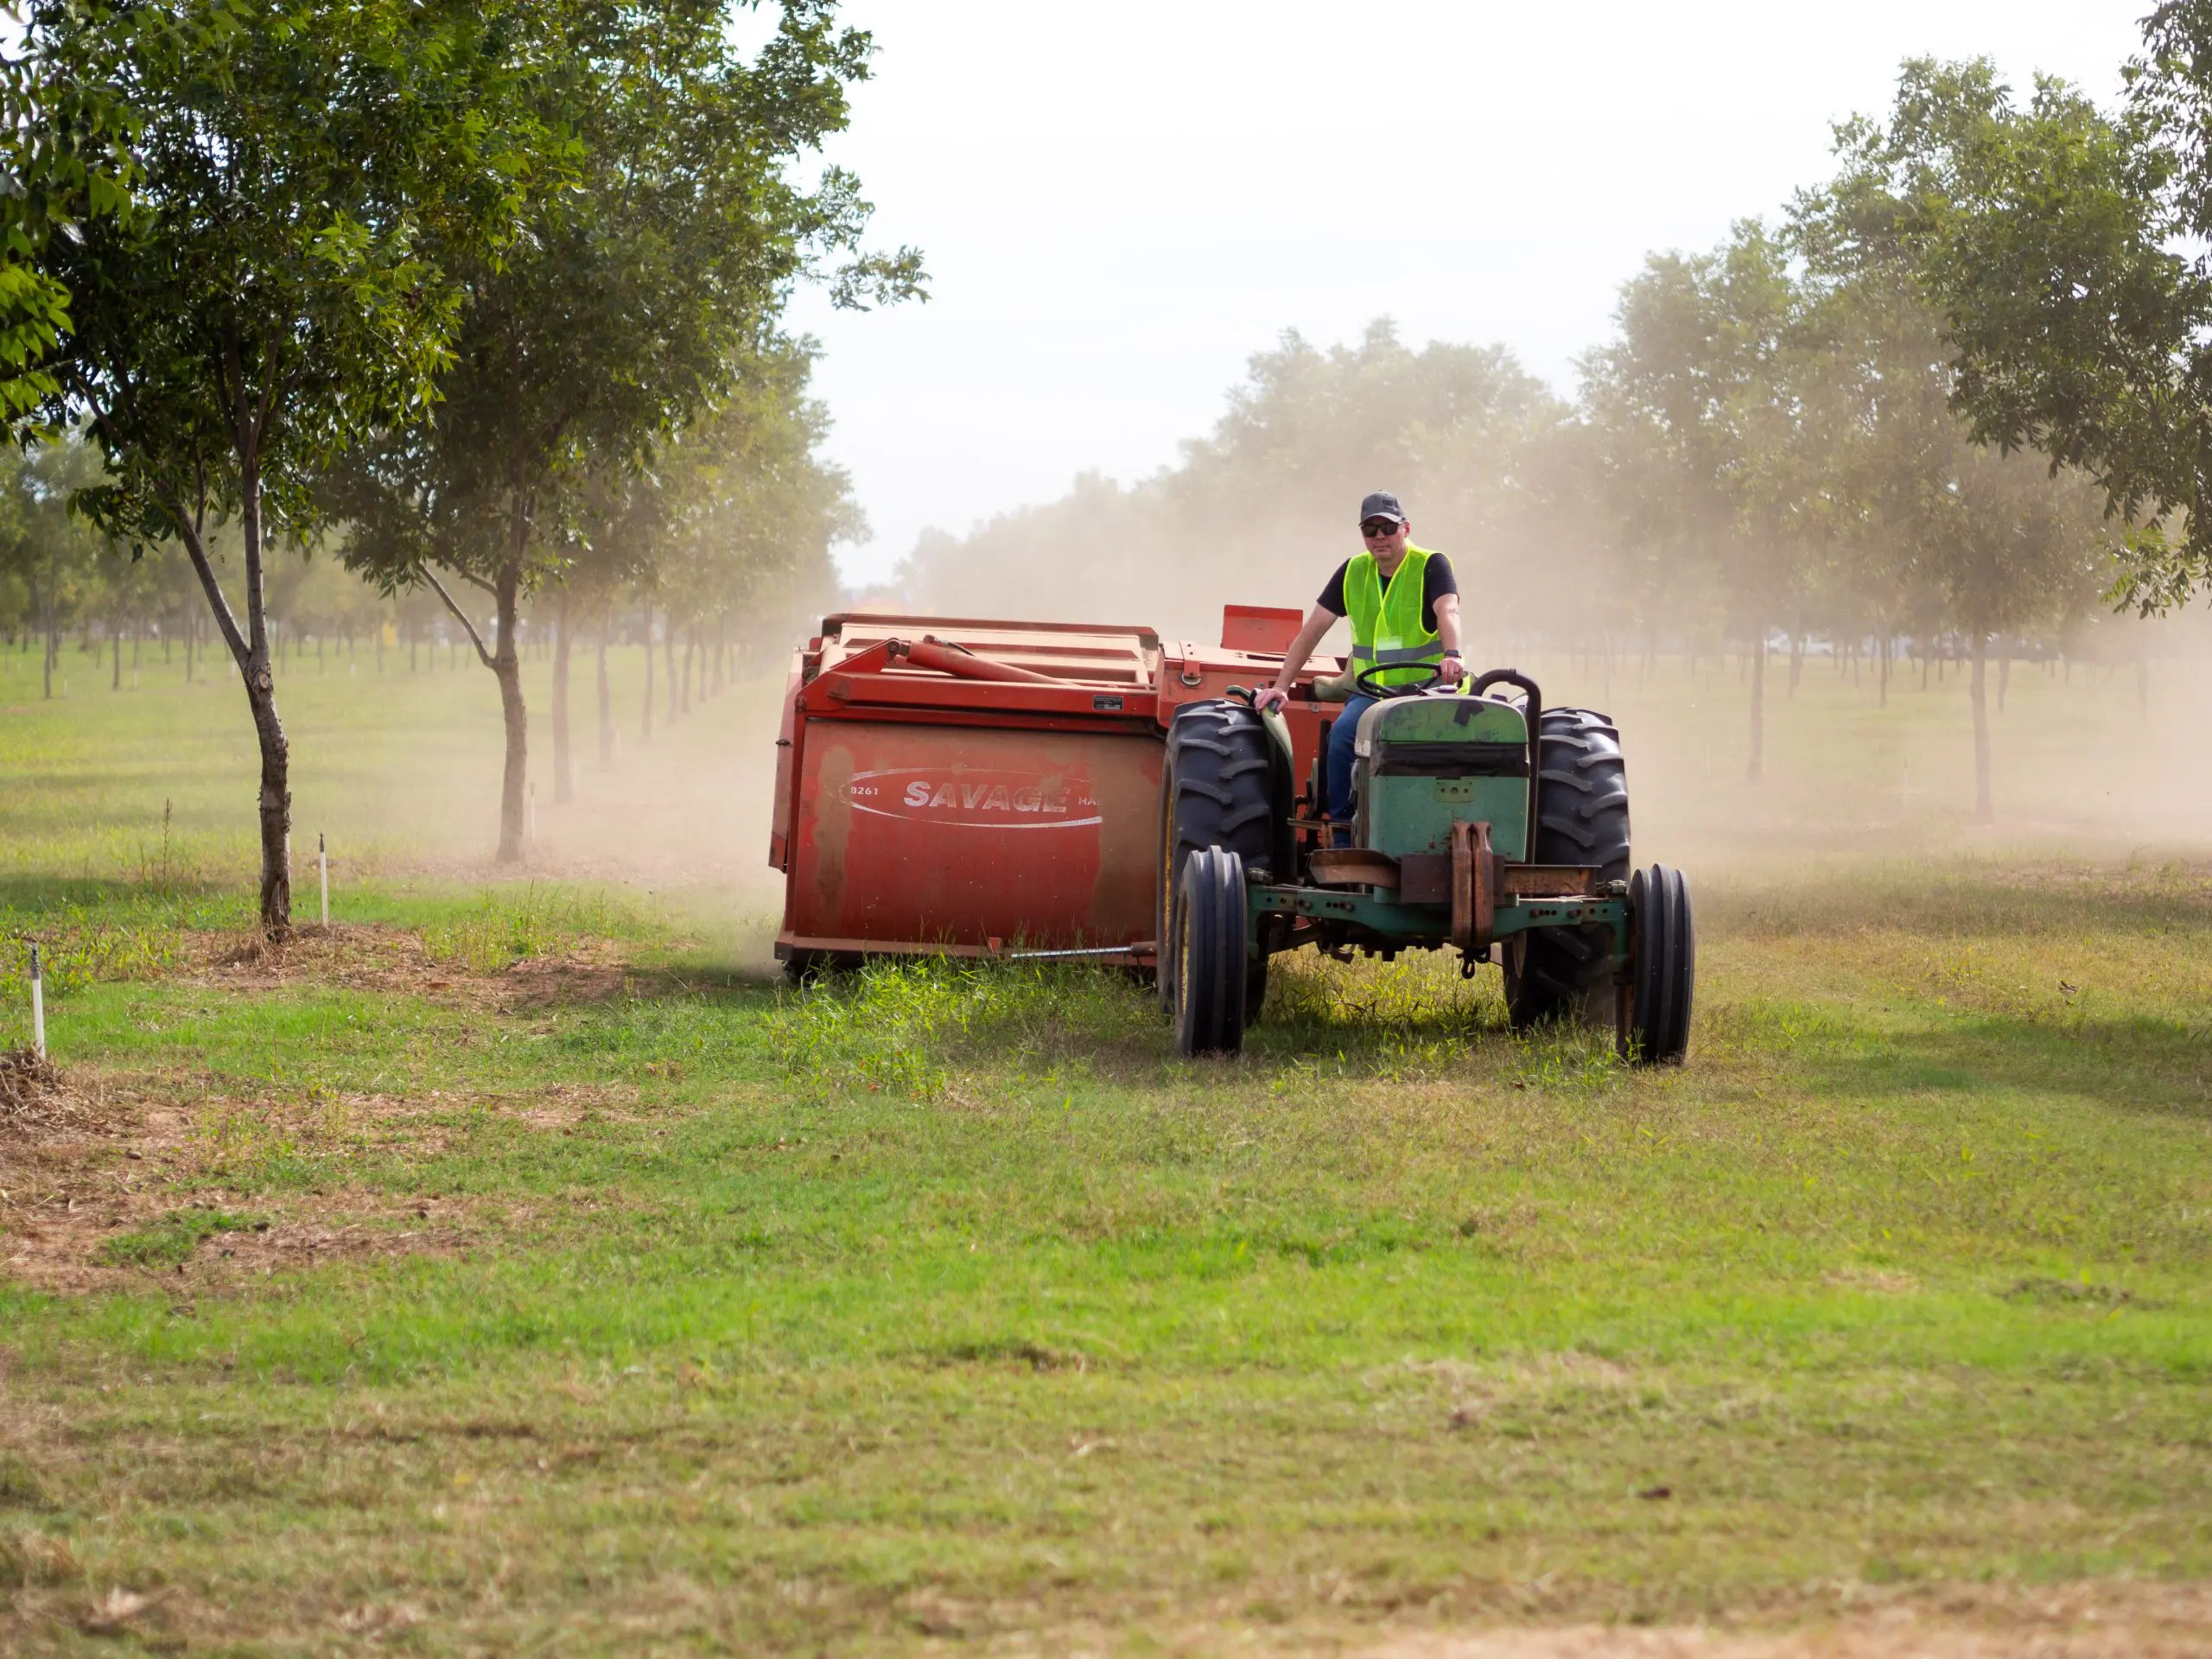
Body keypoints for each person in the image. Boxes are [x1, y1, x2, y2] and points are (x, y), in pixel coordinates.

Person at [1253, 491, 1465, 829]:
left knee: (1450, 750)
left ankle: (1448, 823)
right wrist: (1281, 686)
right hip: (1372, 695)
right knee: (1341, 740)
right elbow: (1314, 628)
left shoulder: (1431, 564)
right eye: (1370, 529)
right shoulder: (1353, 571)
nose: (1379, 536)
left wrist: (1452, 655)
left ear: (1405, 528)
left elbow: (1448, 609)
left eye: (1388, 527)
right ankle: (1340, 836)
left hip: (1431, 691)